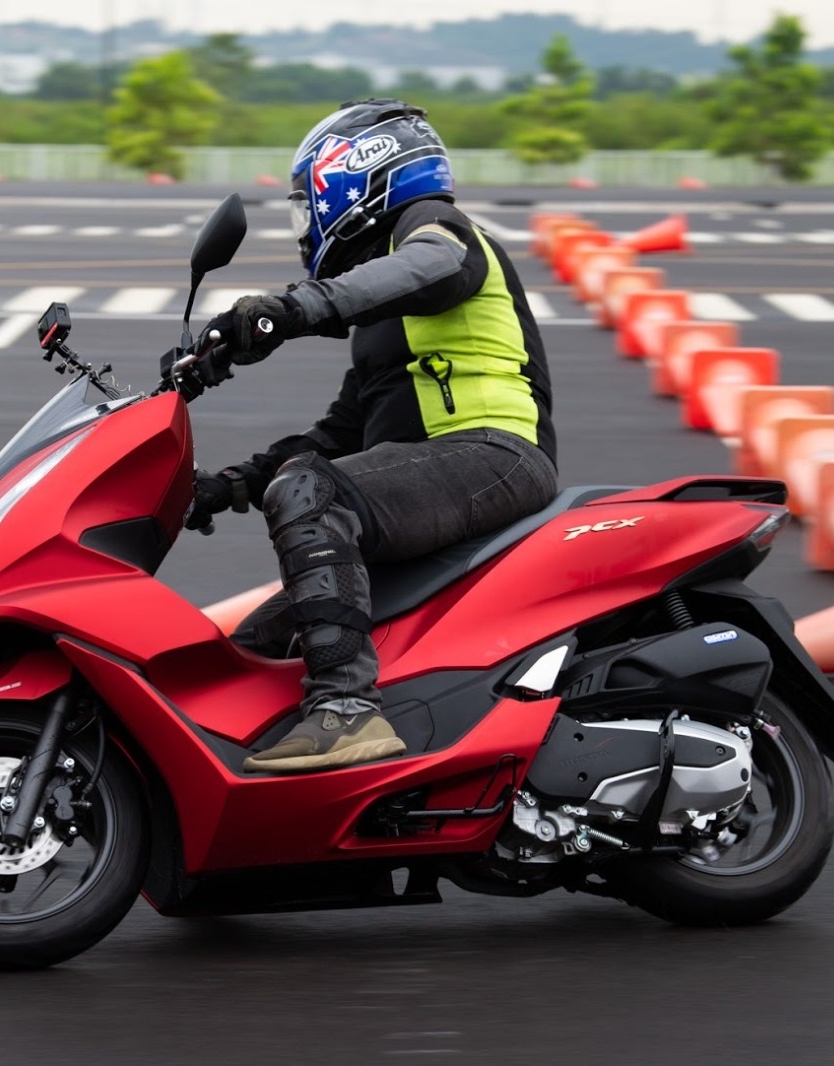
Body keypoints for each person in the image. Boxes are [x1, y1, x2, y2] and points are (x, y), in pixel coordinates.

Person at [191, 98, 558, 774]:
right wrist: (225, 485)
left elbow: (434, 264)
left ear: (355, 176)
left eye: (309, 202)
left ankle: (348, 712)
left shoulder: (436, 230)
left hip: (496, 454)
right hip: (438, 471)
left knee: (306, 492)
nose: (307, 221)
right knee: (254, 651)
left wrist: (291, 309)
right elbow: (342, 431)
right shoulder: (387, 319)